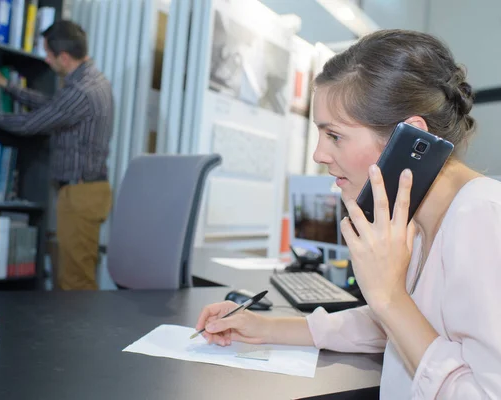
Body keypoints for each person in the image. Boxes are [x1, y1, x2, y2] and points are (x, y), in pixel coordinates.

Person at [195, 29, 501, 399]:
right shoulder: (422, 220)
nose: (319, 154)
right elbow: (391, 325)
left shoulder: (482, 217)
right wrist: (262, 327)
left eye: (335, 135)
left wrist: (389, 297)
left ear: (411, 140)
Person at [0, 20, 114, 291]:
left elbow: (34, 123)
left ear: (63, 57)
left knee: (76, 282)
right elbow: (54, 107)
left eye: (48, 54)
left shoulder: (81, 90)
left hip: (80, 194)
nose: (46, 59)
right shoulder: (89, 81)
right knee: (72, 275)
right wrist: (8, 85)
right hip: (83, 192)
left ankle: (80, 334)